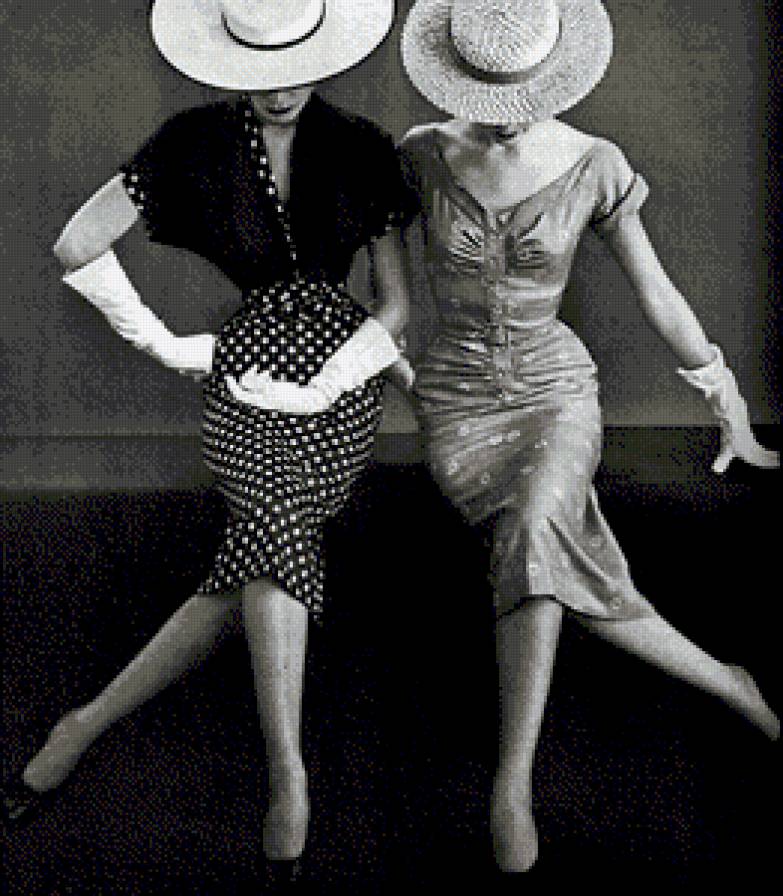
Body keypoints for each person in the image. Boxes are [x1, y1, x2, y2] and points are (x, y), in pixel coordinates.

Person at [2, 0, 419, 870]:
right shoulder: (192, 142)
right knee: (273, 521)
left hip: (344, 377)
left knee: (266, 538)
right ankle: (287, 772)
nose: (279, 89)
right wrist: (164, 344)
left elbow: (394, 310)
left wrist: (332, 381)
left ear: (324, 52)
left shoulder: (363, 148)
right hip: (243, 372)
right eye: (259, 70)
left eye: (295, 67)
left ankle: (89, 724)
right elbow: (77, 244)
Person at [398, 0, 779, 873]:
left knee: (536, 527)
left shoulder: (593, 163)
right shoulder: (418, 154)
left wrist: (725, 401)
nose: (508, 115)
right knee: (542, 546)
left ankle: (511, 783)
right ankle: (725, 679)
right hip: (454, 398)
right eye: (488, 97)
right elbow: (380, 283)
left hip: (555, 390)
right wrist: (381, 371)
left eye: (523, 96)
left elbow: (656, 290)